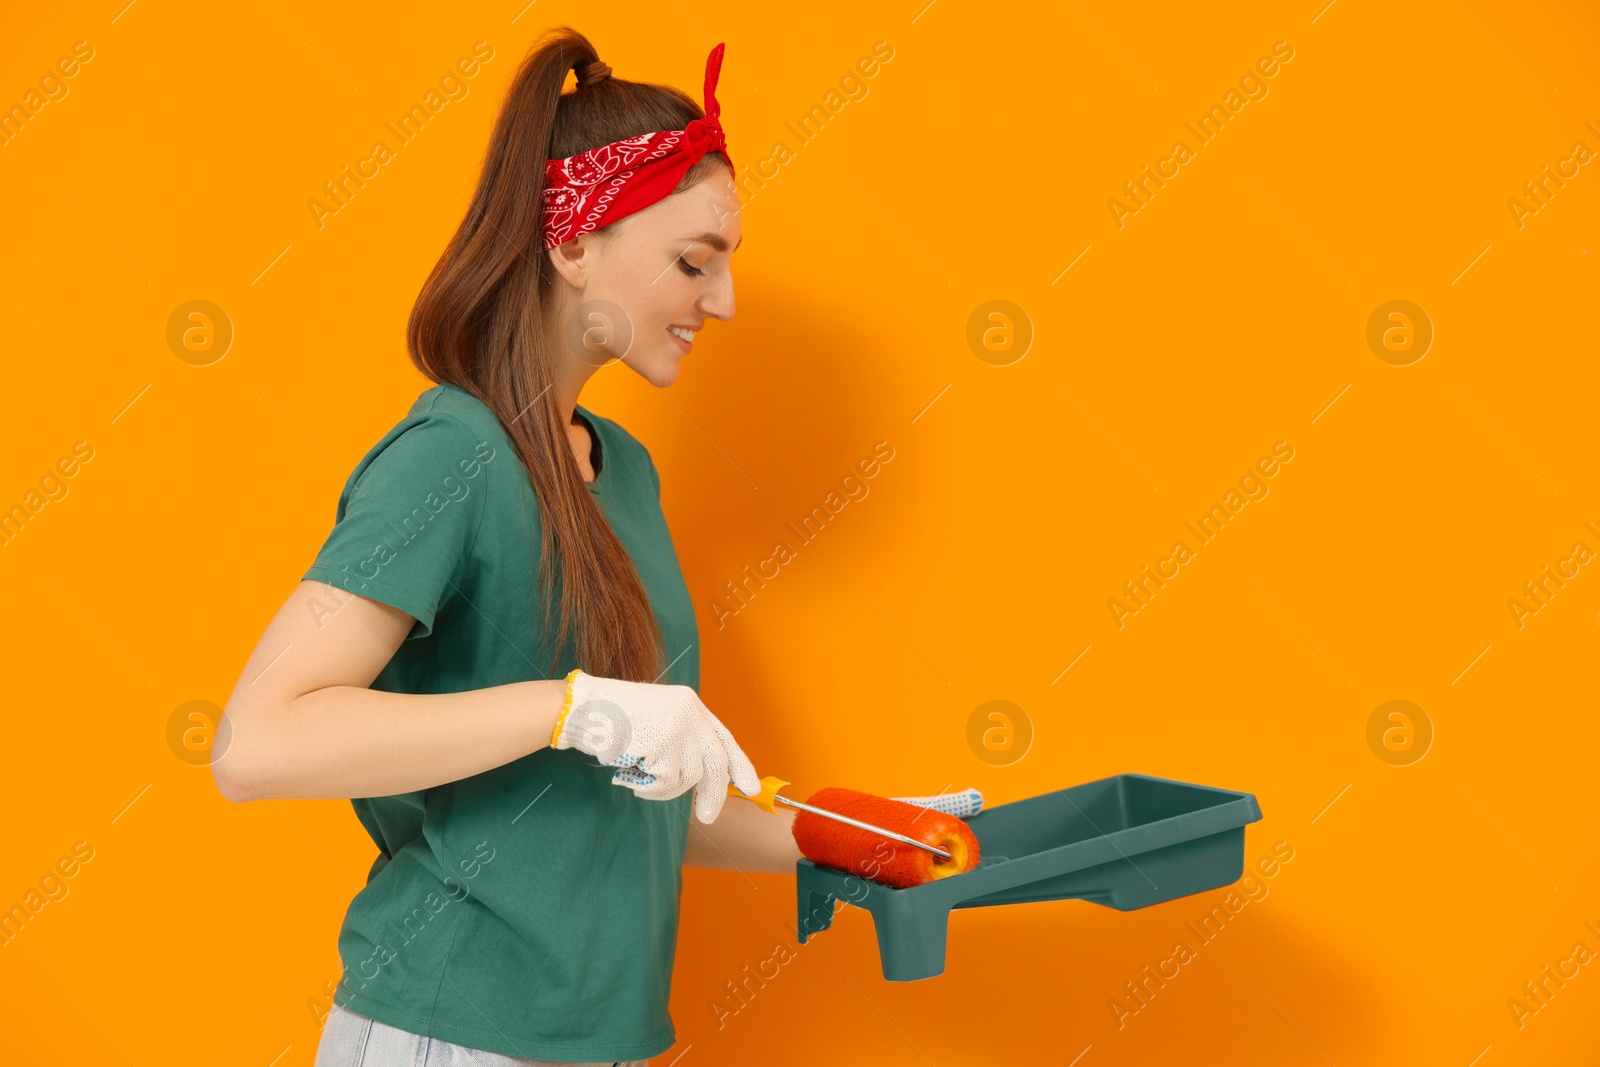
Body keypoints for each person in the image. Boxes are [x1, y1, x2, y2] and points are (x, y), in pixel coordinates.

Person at [213, 26, 958, 1067]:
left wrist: (860, 837)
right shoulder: (453, 455)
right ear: (570, 246)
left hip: (604, 1040)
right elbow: (256, 742)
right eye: (693, 261)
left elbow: (640, 805)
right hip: (450, 1030)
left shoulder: (626, 475)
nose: (724, 300)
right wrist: (570, 706)